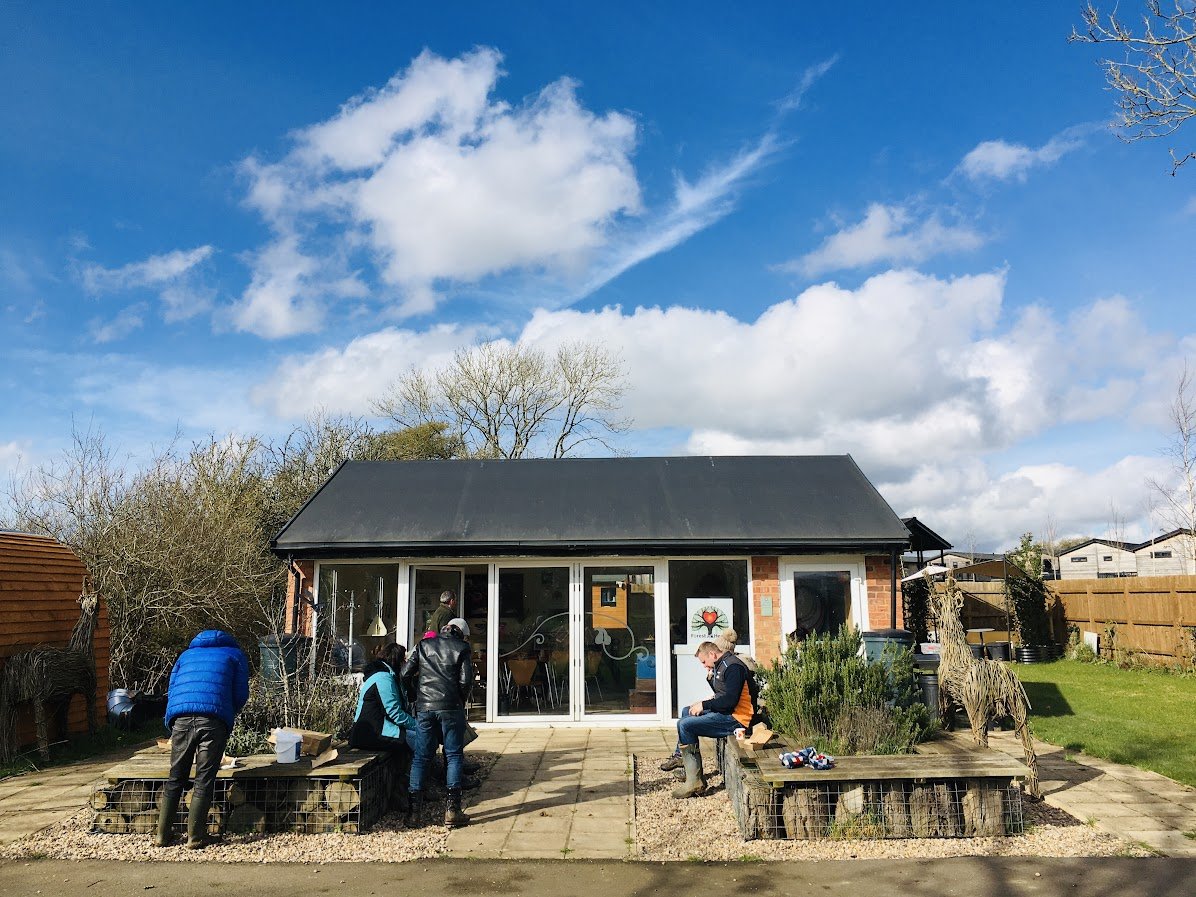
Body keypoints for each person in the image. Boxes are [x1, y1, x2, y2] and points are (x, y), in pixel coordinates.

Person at [155, 630, 249, 849]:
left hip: (181, 718)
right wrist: (226, 711)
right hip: (213, 720)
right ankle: (195, 837)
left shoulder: (185, 655)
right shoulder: (234, 655)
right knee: (204, 778)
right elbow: (241, 694)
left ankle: (162, 836)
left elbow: (172, 689)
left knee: (176, 776)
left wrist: (172, 721)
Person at [401, 617, 474, 828]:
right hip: (451, 707)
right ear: (459, 633)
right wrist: (459, 700)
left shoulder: (423, 645)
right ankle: (452, 810)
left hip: (425, 708)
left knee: (421, 757)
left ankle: (414, 813)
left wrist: (416, 695)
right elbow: (465, 681)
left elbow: (405, 674)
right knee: (453, 756)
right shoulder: (462, 648)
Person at [666, 639, 759, 799]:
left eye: (704, 661)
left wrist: (705, 704)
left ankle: (694, 781)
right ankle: (690, 769)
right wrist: (709, 685)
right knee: (686, 711)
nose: (704, 665)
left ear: (712, 654)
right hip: (728, 712)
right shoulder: (722, 664)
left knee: (685, 725)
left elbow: (729, 701)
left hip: (737, 719)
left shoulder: (733, 667)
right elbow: (723, 694)